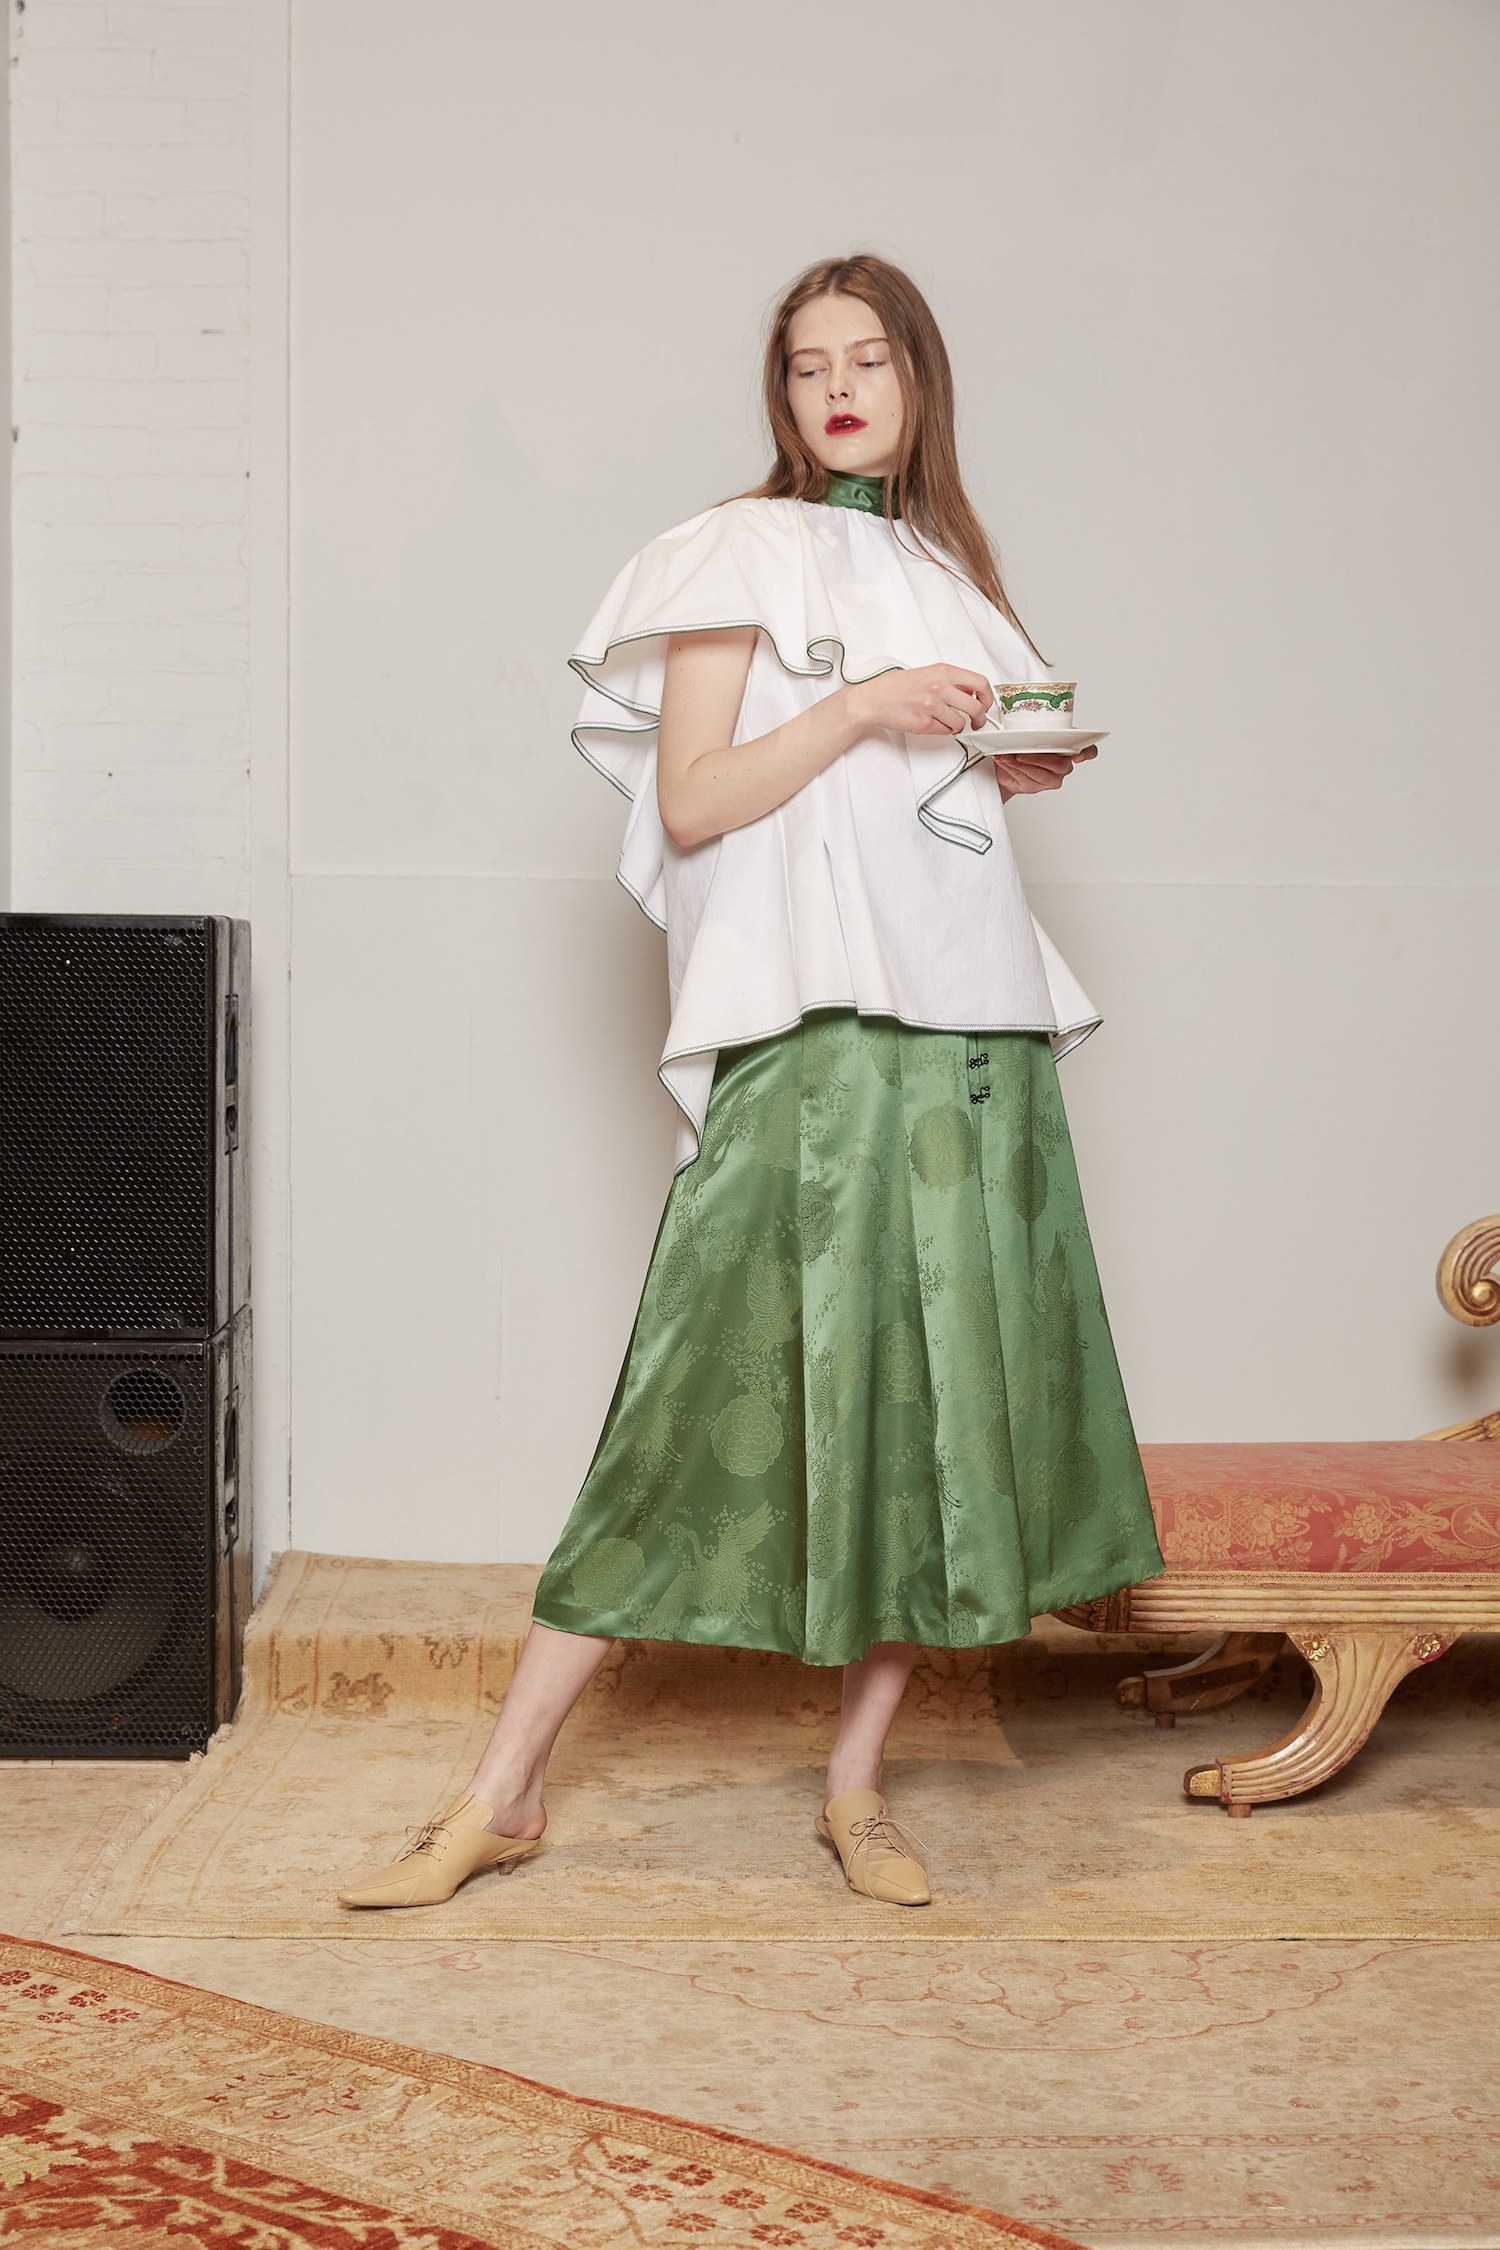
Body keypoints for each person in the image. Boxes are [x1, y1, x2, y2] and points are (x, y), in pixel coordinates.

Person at [336, 250, 1166, 1915]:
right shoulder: (729, 551)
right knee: (688, 1392)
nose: (838, 388)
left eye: (869, 359)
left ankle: (857, 1785)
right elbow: (698, 800)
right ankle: (502, 1788)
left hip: (971, 1032)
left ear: (920, 380)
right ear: (779, 393)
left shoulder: (950, 570)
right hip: (813, 1027)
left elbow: (934, 814)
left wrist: (1001, 762)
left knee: (936, 1408)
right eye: (807, 364)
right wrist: (863, 707)